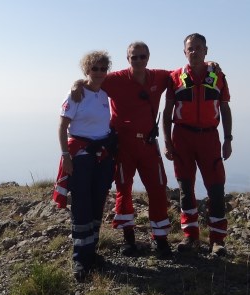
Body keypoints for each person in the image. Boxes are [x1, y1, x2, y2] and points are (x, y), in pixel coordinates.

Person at [72, 42, 174, 257]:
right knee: (123, 189)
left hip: (148, 144)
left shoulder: (159, 77)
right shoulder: (115, 79)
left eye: (142, 56)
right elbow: (93, 79)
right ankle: (128, 239)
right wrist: (77, 83)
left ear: (148, 57)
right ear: (128, 59)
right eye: (134, 57)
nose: (138, 60)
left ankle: (161, 239)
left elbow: (182, 74)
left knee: (157, 188)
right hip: (122, 144)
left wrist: (210, 65)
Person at [162, 33, 232, 256]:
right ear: (184, 52)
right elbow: (167, 112)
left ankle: (217, 240)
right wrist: (167, 142)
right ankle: (191, 236)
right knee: (186, 188)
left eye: (198, 48)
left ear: (206, 50)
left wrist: (228, 139)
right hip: (182, 137)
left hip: (209, 138)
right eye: (190, 48)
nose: (194, 52)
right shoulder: (175, 77)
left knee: (216, 188)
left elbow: (225, 108)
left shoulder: (218, 75)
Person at [53, 50, 116, 282]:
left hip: (102, 156)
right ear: (86, 70)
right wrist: (66, 156)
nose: (99, 72)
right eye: (94, 68)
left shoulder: (105, 94)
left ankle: (92, 252)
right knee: (81, 204)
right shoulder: (76, 95)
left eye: (102, 68)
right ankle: (80, 258)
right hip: (80, 156)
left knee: (98, 202)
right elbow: (62, 127)